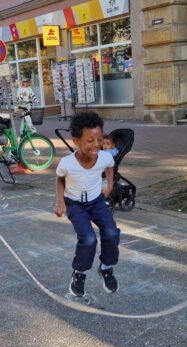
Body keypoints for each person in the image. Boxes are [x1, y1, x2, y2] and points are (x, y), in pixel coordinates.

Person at [54, 112, 121, 297]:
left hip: (97, 201)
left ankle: (106, 268)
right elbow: (60, 179)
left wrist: (109, 184)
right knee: (89, 239)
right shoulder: (68, 163)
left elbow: (110, 166)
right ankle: (79, 274)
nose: (96, 145)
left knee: (112, 232)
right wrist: (60, 202)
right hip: (75, 204)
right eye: (90, 140)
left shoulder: (105, 157)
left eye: (99, 139)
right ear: (77, 141)